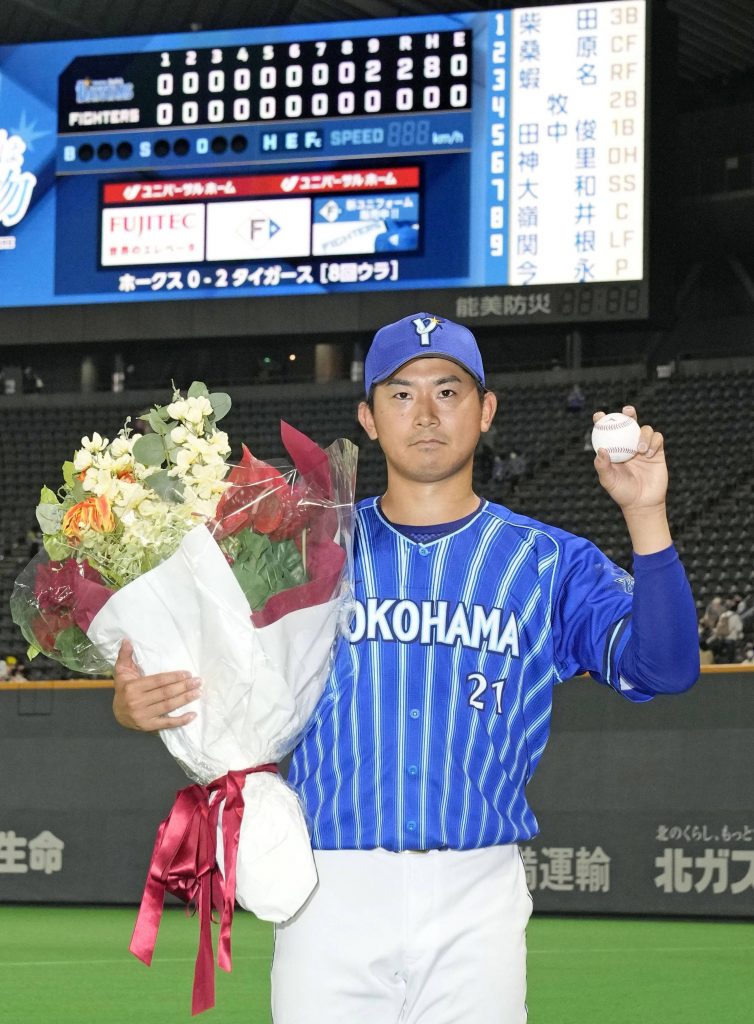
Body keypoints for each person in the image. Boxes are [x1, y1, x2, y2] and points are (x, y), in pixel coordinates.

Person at [112, 313, 699, 1024]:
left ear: (485, 411)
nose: (425, 414)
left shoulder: (551, 561)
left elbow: (663, 670)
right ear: (367, 417)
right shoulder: (297, 550)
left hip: (476, 890)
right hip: (326, 888)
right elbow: (206, 682)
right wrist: (136, 703)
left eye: (448, 392)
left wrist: (647, 513)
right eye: (400, 394)